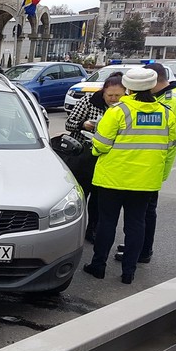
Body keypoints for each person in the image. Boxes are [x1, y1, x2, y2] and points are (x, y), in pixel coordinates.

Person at [82, 67, 176, 284]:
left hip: (112, 178)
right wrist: (160, 175)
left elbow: (100, 145)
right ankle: (128, 272)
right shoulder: (166, 113)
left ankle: (98, 266)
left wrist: (97, 149)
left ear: (129, 88)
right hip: (145, 181)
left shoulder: (118, 112)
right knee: (136, 224)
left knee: (107, 222)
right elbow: (171, 148)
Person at [115, 63, 176, 263]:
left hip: (152, 167)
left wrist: (162, 171)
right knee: (141, 213)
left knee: (146, 213)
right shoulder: (160, 98)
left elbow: (170, 143)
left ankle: (143, 251)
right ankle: (137, 245)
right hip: (148, 166)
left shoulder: (171, 101)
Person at [64, 72, 125, 243]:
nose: (113, 99)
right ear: (103, 92)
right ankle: (72, 231)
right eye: (110, 95)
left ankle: (92, 230)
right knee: (79, 197)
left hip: (107, 159)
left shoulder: (124, 108)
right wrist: (84, 124)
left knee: (99, 201)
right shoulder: (88, 101)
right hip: (83, 156)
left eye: (118, 95)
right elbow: (69, 123)